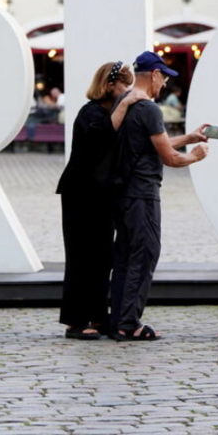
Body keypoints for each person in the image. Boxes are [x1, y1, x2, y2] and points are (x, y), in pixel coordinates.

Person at [108, 51, 209, 341]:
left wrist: (188, 138)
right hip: (143, 193)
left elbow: (150, 144)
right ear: (153, 75)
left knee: (125, 257)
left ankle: (118, 320)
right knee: (146, 253)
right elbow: (169, 158)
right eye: (163, 78)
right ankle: (130, 324)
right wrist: (195, 156)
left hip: (123, 194)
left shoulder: (123, 104)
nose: (164, 84)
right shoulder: (150, 110)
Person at [55, 61, 148, 340]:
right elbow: (103, 133)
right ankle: (76, 321)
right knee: (82, 256)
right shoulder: (90, 113)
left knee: (103, 257)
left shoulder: (112, 111)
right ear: (109, 85)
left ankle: (98, 315)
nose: (128, 90)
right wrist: (127, 102)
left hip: (104, 195)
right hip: (81, 195)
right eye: (124, 85)